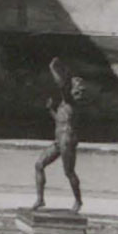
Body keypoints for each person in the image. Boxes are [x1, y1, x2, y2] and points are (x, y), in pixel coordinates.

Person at [33, 57, 84, 213]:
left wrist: (53, 68)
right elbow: (59, 120)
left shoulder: (70, 101)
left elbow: (61, 84)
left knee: (69, 172)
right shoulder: (64, 105)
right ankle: (40, 199)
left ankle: (78, 201)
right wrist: (50, 110)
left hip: (67, 139)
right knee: (39, 165)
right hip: (59, 139)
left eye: (77, 90)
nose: (76, 92)